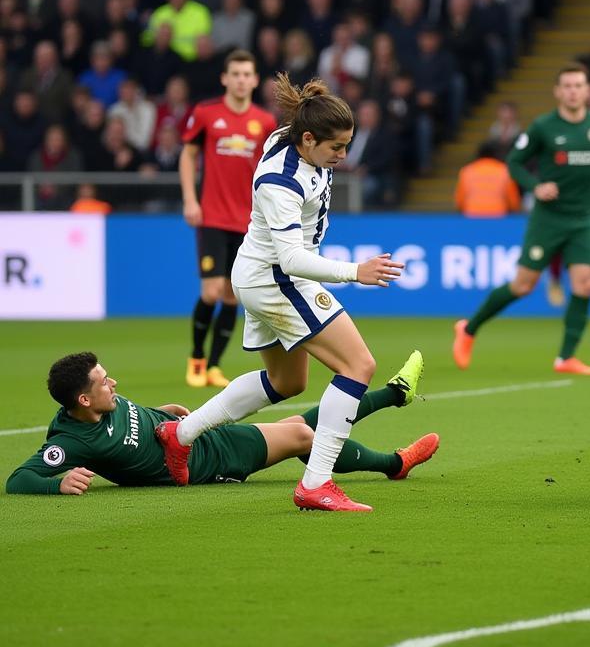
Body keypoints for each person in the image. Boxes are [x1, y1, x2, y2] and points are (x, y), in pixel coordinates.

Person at [157, 75, 407, 514]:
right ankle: (316, 483)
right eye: (336, 147)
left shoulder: (289, 136)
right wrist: (356, 272)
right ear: (308, 140)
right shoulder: (280, 181)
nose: (343, 156)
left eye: (348, 144)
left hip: (259, 275)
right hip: (277, 280)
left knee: (287, 382)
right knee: (359, 365)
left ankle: (180, 435)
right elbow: (292, 260)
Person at [7, 352, 437, 496]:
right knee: (304, 435)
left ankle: (394, 400)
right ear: (83, 399)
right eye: (103, 381)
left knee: (295, 426)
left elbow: (130, 431)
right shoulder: (70, 439)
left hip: (195, 437)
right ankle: (393, 461)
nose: (112, 381)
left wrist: (161, 411)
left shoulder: (104, 406)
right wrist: (56, 484)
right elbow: (18, 479)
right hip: (207, 462)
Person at [453, 64, 590, 375]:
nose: (573, 91)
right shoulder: (543, 127)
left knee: (584, 284)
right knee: (523, 285)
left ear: (586, 90)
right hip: (548, 220)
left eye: (578, 85)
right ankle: (468, 329)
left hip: (582, 221)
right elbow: (513, 163)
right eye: (567, 86)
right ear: (557, 91)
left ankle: (565, 358)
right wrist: (535, 186)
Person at [179, 50, 277, 389]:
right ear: (225, 78)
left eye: (246, 74)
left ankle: (215, 366)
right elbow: (188, 156)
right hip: (213, 217)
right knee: (211, 291)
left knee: (233, 294)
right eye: (234, 73)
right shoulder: (206, 114)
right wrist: (191, 200)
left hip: (249, 222)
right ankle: (196, 358)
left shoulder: (264, 122)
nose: (240, 79)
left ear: (254, 80)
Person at [454, 140, 521, 217]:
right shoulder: (504, 170)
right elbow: (513, 201)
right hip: (498, 215)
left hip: (472, 214)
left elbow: (460, 200)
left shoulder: (467, 171)